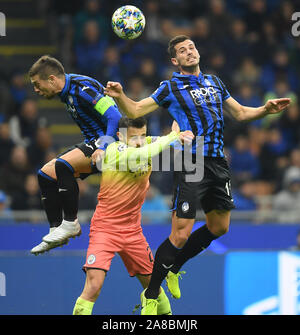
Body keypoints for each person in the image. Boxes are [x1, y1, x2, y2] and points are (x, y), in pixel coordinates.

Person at [104, 35, 291, 315]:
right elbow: (136, 109)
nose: (189, 52)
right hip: (191, 159)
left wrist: (265, 110)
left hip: (217, 160)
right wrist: (120, 97)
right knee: (180, 233)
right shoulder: (170, 87)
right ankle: (151, 296)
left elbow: (239, 113)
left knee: (220, 227)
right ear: (175, 61)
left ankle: (174, 268)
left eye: (191, 48)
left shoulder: (215, 82)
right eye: (182, 51)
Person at [72, 116, 194, 315]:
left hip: (133, 232)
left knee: (153, 287)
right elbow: (149, 151)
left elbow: (159, 143)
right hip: (105, 230)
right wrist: (172, 136)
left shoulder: (146, 143)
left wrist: (181, 136)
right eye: (133, 137)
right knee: (94, 285)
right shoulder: (114, 150)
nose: (139, 141)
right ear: (120, 136)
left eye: (143, 135)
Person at [28, 55, 122, 255]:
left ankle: (71, 223)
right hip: (93, 143)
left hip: (111, 143)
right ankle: (56, 231)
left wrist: (104, 146)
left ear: (52, 79)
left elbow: (114, 115)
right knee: (45, 174)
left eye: (37, 84)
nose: (36, 89)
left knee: (63, 166)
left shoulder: (82, 88)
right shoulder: (66, 92)